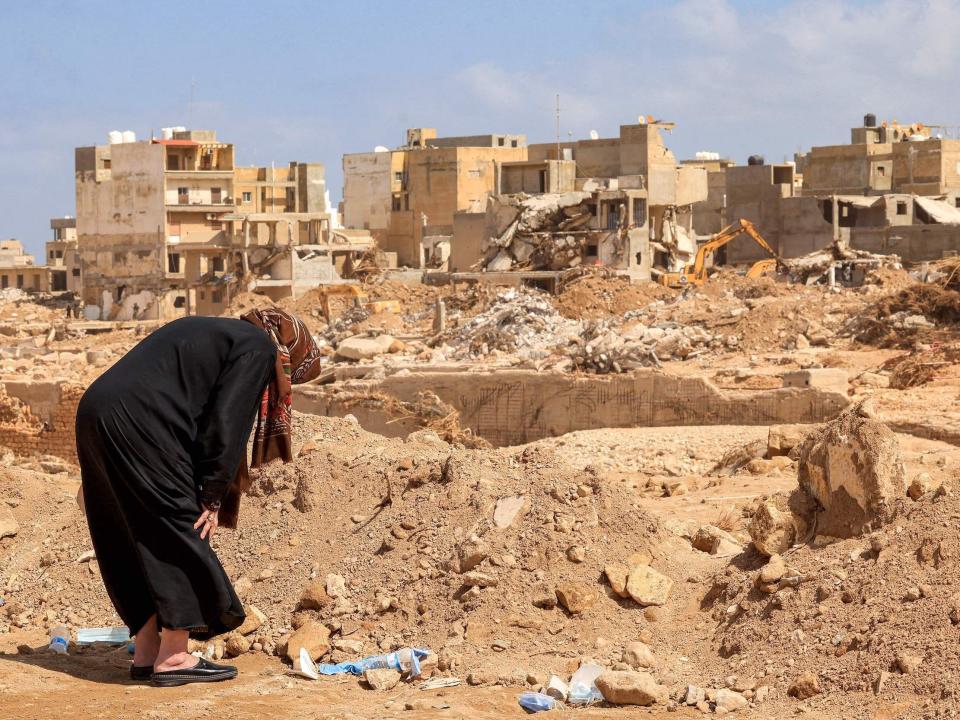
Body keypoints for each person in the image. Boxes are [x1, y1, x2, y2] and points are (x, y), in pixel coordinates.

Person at [76, 308, 321, 686]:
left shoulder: (212, 332)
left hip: (96, 411)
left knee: (129, 532)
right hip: (141, 423)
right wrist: (211, 497)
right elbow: (227, 422)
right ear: (287, 355)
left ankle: (146, 652)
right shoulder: (258, 347)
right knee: (180, 528)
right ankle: (173, 655)